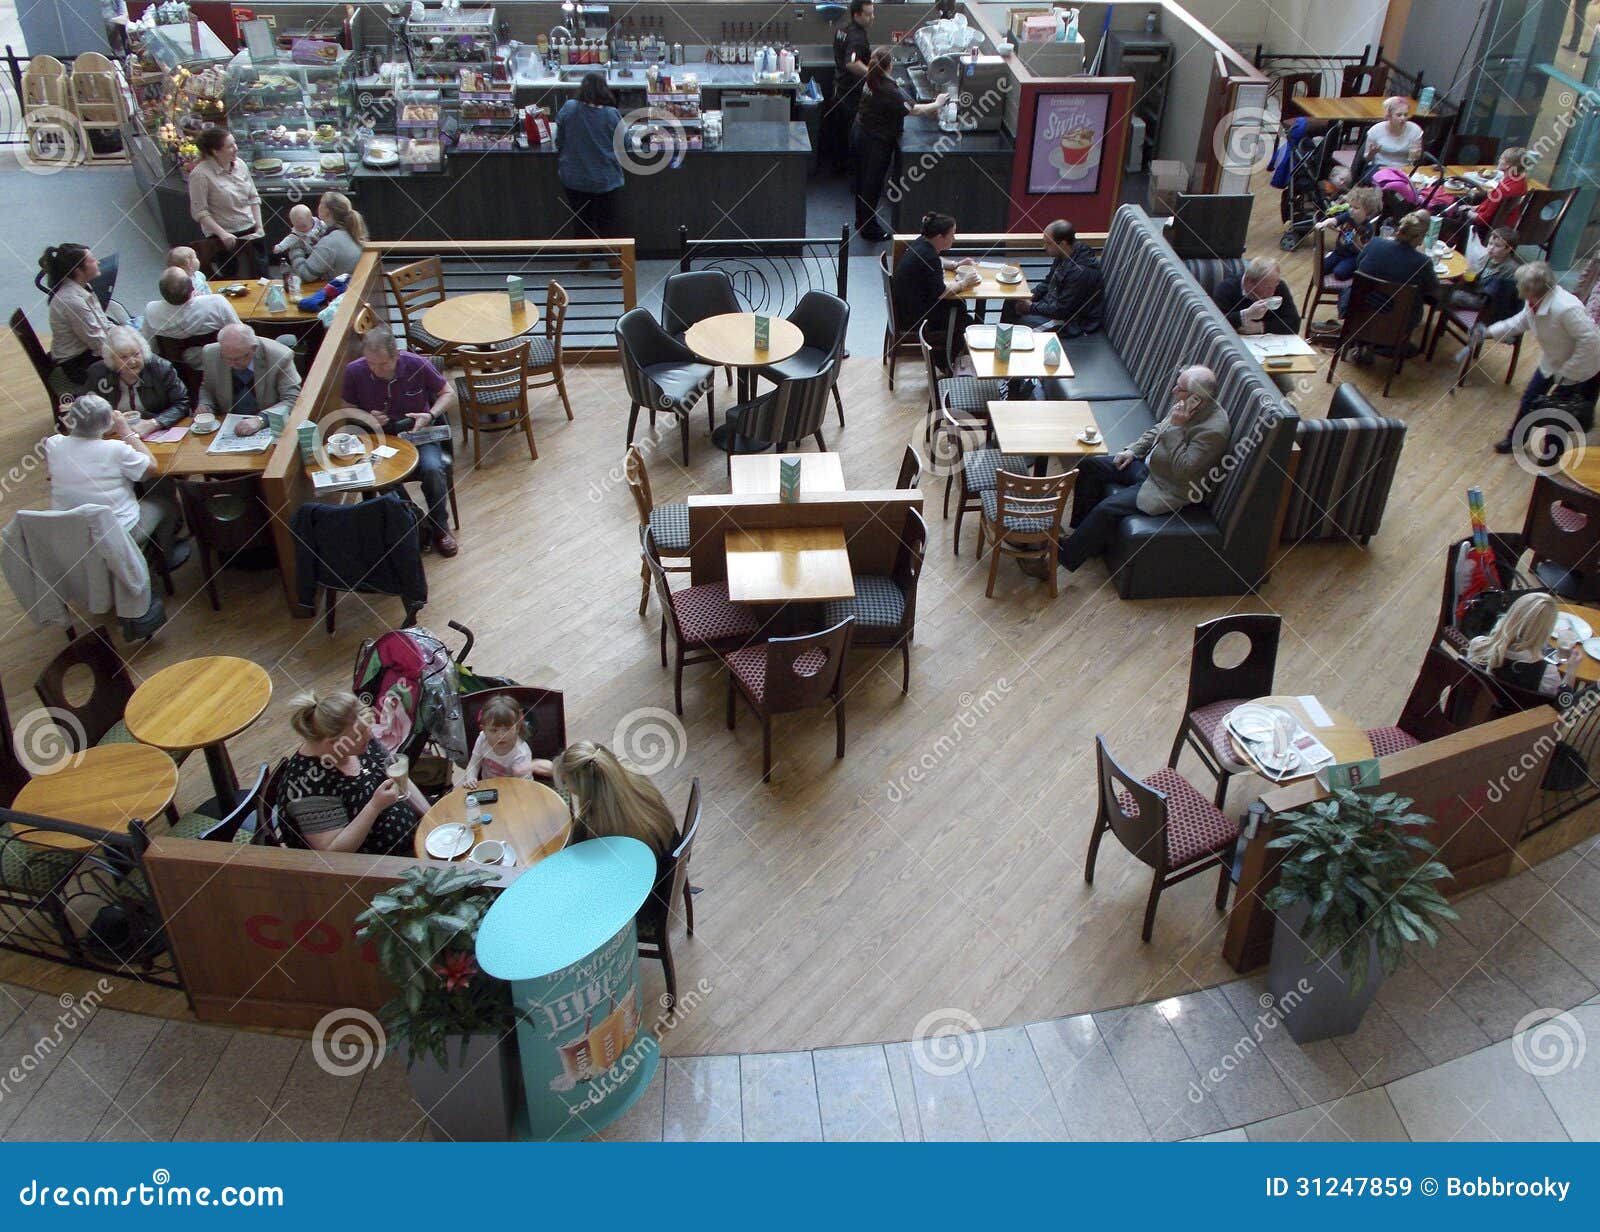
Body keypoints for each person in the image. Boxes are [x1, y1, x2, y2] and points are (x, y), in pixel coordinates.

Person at [1053, 366, 1230, 574]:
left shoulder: (1214, 430)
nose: (1173, 390)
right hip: (1149, 465)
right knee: (1090, 465)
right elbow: (1158, 429)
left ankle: (1061, 560)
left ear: (1196, 399)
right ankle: (1084, 536)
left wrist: (1176, 428)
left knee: (1105, 509)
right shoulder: (1188, 406)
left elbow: (1184, 470)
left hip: (1167, 486)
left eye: (1179, 388)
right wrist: (1133, 451)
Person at [339, 323, 458, 557]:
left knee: (433, 470)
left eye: (382, 364)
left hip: (418, 434)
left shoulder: (415, 363)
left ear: (396, 355)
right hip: (383, 440)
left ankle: (439, 528)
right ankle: (415, 520)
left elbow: (448, 393)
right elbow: (347, 407)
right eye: (370, 363)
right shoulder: (354, 371)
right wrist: (367, 417)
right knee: (382, 479)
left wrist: (430, 414)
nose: (375, 370)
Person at [43, 393, 185, 568]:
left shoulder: (53, 444)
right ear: (108, 423)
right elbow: (151, 467)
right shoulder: (116, 449)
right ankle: (163, 560)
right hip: (117, 534)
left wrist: (80, 412)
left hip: (71, 533)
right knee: (165, 503)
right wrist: (127, 432)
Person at [278, 691, 425, 855]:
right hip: (373, 866)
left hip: (412, 834)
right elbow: (333, 852)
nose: (370, 735)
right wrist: (374, 806)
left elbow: (398, 776)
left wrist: (429, 816)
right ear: (331, 743)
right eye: (360, 733)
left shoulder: (358, 741)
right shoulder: (307, 787)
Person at [1477, 261, 1600, 454]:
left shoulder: (1566, 308)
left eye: (1520, 284)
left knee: (1557, 414)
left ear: (1531, 289)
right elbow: (1519, 322)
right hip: (1553, 361)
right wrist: (1488, 332)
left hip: (1578, 369)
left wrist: (1568, 372)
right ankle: (1515, 440)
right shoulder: (1534, 301)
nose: (1517, 286)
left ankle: (1552, 454)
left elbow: (1592, 341)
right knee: (1529, 400)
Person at [851, 48, 948, 242]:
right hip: (876, 142)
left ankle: (861, 222)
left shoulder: (871, 79)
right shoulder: (888, 90)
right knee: (872, 186)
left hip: (860, 132)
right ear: (890, 66)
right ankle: (869, 230)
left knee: (862, 183)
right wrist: (938, 104)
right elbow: (914, 110)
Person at [553, 741, 679, 879]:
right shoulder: (637, 781)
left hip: (641, 893)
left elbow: (577, 871)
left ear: (581, 787)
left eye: (567, 783)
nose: (568, 788)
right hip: (668, 871)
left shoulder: (589, 830)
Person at [892, 211, 977, 370]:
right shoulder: (928, 256)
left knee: (961, 307)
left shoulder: (922, 242)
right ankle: (947, 364)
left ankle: (954, 358)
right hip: (914, 316)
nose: (954, 238)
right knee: (961, 313)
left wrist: (955, 265)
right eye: (952, 235)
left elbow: (936, 260)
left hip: (906, 305)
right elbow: (943, 292)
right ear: (939, 237)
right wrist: (965, 282)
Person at [1342, 209, 1440, 336]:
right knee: (1416, 300)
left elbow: (1358, 265)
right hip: (1395, 324)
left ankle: (1363, 340)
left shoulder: (1375, 243)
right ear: (1420, 238)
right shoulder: (1423, 262)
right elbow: (1434, 293)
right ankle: (1386, 345)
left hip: (1357, 312)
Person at [555, 74, 625, 252]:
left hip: (574, 179)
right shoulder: (611, 115)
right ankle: (613, 264)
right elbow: (625, 143)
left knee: (581, 221)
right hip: (605, 179)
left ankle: (583, 260)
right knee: (607, 223)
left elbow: (559, 140)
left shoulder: (569, 108)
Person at [1001, 220, 1104, 336]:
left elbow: (1062, 310)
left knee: (1024, 327)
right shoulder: (1065, 253)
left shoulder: (1081, 272)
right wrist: (1030, 296)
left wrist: (1031, 307)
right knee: (1012, 301)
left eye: (1048, 243)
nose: (1044, 246)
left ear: (1063, 244)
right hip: (1053, 306)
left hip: (1070, 322)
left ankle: (1011, 343)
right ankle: (1004, 341)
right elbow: (1047, 283)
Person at [188, 127, 265, 278]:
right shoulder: (200, 175)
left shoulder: (240, 164)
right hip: (224, 238)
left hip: (252, 232)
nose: (236, 148)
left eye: (235, 143)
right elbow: (200, 212)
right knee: (235, 282)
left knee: (261, 276)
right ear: (215, 151)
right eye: (230, 146)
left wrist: (259, 227)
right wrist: (223, 234)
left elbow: (253, 197)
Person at [1465, 593, 1577, 697]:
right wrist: (1571, 670)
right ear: (1545, 632)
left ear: (1511, 615)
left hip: (1479, 711)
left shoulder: (1478, 645)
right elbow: (1561, 704)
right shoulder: (1547, 674)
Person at [83, 326, 189, 433]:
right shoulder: (98, 373)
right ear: (112, 359)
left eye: (136, 354)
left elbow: (182, 404)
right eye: (124, 357)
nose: (132, 362)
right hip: (115, 436)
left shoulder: (161, 368)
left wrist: (154, 423)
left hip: (157, 432)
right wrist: (106, 422)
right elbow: (88, 409)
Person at [197, 323, 302, 427]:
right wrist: (205, 405)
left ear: (254, 348)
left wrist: (261, 419)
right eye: (227, 358)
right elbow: (207, 388)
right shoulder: (210, 353)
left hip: (269, 424)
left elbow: (293, 399)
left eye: (238, 358)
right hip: (227, 423)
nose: (232, 364)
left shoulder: (280, 356)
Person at [40, 243, 112, 389]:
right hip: (78, 365)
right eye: (92, 260)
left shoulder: (83, 287)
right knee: (134, 364)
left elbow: (102, 323)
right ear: (78, 270)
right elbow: (98, 343)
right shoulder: (72, 301)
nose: (97, 262)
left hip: (85, 353)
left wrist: (125, 333)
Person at [140, 266, 240, 366]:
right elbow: (239, 333)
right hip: (218, 364)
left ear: (162, 293)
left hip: (175, 370)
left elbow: (148, 345)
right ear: (192, 287)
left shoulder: (151, 310)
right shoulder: (217, 302)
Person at [826, 0, 875, 174]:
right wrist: (873, 73)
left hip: (838, 87)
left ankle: (836, 168)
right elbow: (852, 63)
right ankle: (851, 173)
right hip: (851, 92)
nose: (872, 18)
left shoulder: (842, 28)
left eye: (872, 13)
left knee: (838, 133)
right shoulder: (858, 37)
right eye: (868, 14)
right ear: (857, 14)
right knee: (851, 135)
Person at [463, 696, 554, 787]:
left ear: (517, 727)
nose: (501, 736)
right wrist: (470, 777)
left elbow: (525, 785)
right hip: (489, 788)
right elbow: (474, 764)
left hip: (513, 789)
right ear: (484, 729)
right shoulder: (482, 738)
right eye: (494, 730)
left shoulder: (521, 753)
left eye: (507, 729)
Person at [1210, 256, 1301, 336]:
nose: (1272, 293)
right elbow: (1216, 323)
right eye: (1267, 288)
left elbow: (1294, 324)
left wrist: (1261, 327)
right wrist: (1246, 314)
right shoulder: (1226, 288)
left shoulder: (1279, 286)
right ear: (1249, 282)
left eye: (1275, 286)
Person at [289, 191, 365, 282]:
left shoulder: (330, 242)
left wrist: (295, 247)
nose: (318, 206)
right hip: (350, 286)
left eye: (321, 203)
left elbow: (306, 275)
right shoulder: (350, 231)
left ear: (327, 211)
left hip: (339, 292)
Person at [1450, 225, 1521, 321]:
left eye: (1497, 246)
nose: (1491, 248)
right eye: (1490, 244)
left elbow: (1499, 297)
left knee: (1453, 296)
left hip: (1486, 302)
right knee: (1449, 287)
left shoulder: (1511, 269)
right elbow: (1474, 274)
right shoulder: (1488, 257)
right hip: (1476, 290)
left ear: (1508, 249)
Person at [1315, 185, 1382, 282]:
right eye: (1350, 206)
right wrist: (1323, 223)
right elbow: (1334, 220)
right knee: (1321, 268)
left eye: (1356, 208)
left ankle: (1355, 273)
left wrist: (1358, 239)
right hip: (1338, 252)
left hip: (1353, 257)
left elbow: (1362, 249)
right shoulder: (1348, 216)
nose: (1351, 209)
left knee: (1339, 273)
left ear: (1367, 211)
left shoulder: (1368, 228)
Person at [1360, 96, 1424, 172]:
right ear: (1389, 116)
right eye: (1399, 115)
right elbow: (1366, 159)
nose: (1403, 118)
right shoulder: (1375, 130)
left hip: (1404, 169)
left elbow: (1415, 159)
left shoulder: (1415, 130)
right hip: (1379, 168)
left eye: (1405, 115)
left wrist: (1417, 154)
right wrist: (1371, 153)